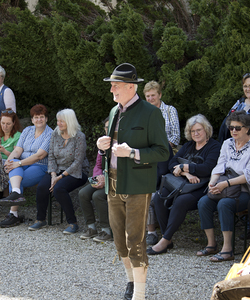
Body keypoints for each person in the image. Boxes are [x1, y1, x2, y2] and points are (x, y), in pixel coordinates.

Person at [97, 63, 169, 300]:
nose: (112, 90)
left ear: (130, 87)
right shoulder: (113, 111)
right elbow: (112, 150)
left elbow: (162, 152)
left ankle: (139, 294)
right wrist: (102, 147)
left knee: (135, 241)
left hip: (137, 185)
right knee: (120, 242)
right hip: (113, 184)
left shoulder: (151, 113)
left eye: (115, 86)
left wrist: (133, 153)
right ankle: (131, 282)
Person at [147, 114, 220, 256]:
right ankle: (167, 238)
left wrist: (184, 167)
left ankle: (164, 240)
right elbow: (172, 164)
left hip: (201, 186)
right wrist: (186, 173)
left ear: (206, 130)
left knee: (181, 201)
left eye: (199, 130)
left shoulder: (214, 146)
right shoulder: (188, 146)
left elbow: (207, 168)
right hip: (182, 183)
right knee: (159, 198)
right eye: (193, 131)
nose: (196, 133)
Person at [197, 111, 250, 262]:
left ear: (247, 128)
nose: (233, 131)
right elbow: (219, 166)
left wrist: (224, 184)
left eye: (238, 128)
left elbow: (248, 175)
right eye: (231, 127)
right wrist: (212, 183)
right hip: (224, 186)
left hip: (244, 189)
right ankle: (211, 244)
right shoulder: (227, 144)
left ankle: (227, 249)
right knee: (204, 202)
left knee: (225, 204)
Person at [28, 108, 89, 233]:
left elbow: (78, 162)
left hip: (77, 172)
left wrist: (60, 178)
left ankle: (73, 222)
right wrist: (53, 174)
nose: (58, 123)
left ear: (70, 122)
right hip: (57, 170)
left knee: (59, 188)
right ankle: (40, 219)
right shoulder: (55, 134)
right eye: (58, 121)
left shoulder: (79, 137)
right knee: (42, 187)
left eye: (62, 121)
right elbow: (51, 156)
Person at [0, 104, 52, 228]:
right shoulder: (28, 130)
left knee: (17, 179)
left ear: (46, 118)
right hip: (21, 164)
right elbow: (17, 150)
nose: (39, 120)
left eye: (42, 117)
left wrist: (18, 163)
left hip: (39, 166)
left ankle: (13, 214)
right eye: (36, 117)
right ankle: (16, 194)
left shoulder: (50, 134)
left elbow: (39, 156)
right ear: (32, 119)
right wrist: (10, 160)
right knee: (13, 167)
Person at [143, 80, 180, 245]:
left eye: (153, 95)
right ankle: (151, 231)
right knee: (146, 190)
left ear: (159, 95)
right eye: (147, 96)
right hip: (149, 156)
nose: (150, 98)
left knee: (156, 188)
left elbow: (175, 136)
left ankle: (164, 232)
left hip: (167, 155)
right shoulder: (143, 112)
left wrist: (160, 148)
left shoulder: (170, 110)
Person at [79, 117, 112, 242]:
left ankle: (106, 230)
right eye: (106, 127)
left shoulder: (120, 144)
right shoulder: (103, 144)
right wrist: (98, 177)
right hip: (101, 178)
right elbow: (98, 165)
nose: (108, 129)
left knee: (97, 196)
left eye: (110, 126)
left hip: (115, 180)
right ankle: (91, 228)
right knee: (82, 193)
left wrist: (106, 179)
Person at [218, 73, 250, 144]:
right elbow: (226, 124)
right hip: (232, 146)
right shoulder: (239, 104)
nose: (248, 89)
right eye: (245, 86)